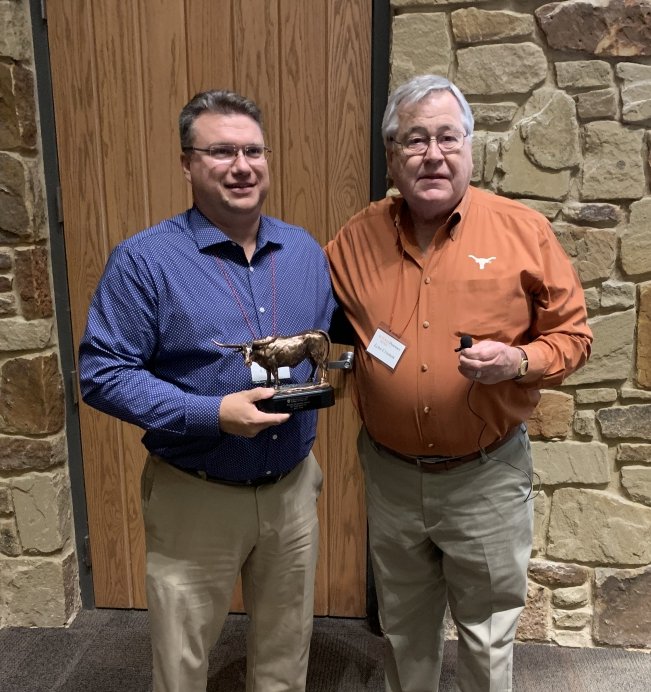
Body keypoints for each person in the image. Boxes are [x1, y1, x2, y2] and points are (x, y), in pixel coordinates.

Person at [325, 74, 592, 692]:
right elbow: (310, 310)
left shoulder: (523, 231)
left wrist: (518, 362)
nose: (433, 154)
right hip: (390, 477)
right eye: (415, 140)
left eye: (448, 137)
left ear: (470, 147)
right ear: (391, 155)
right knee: (403, 630)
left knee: (488, 636)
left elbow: (574, 336)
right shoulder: (354, 240)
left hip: (486, 478)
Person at [78, 90, 336, 692]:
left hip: (292, 490)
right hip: (196, 495)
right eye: (221, 152)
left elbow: (327, 346)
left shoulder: (304, 252)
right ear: (187, 164)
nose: (242, 166)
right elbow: (102, 372)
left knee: (286, 654)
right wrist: (210, 412)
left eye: (253, 151)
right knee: (183, 663)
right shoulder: (144, 261)